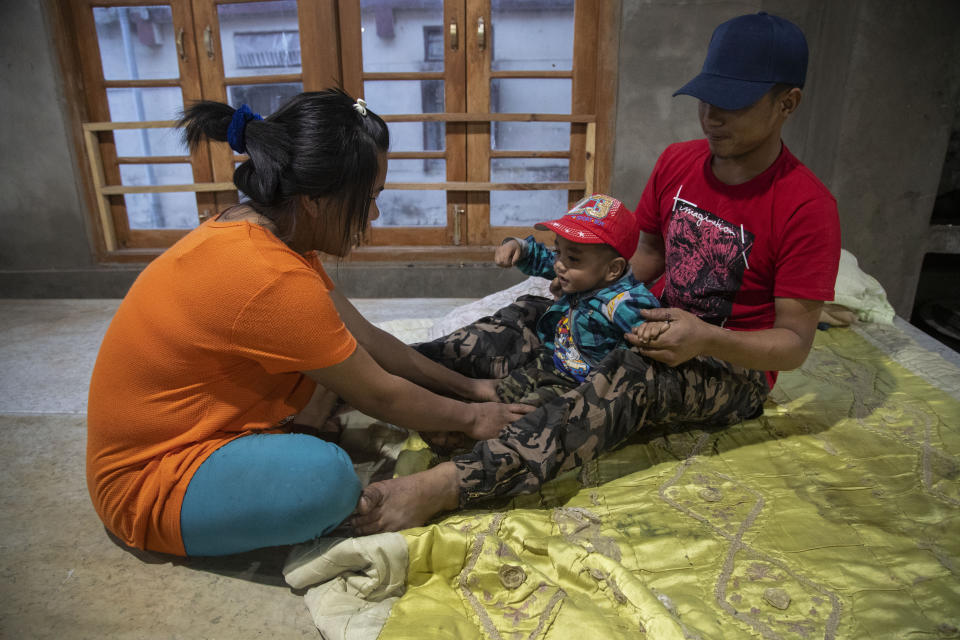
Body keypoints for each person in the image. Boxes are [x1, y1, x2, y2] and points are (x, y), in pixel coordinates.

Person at [350, 12, 841, 533]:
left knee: (631, 376)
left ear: (787, 103)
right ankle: (371, 383)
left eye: (734, 103)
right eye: (707, 98)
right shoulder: (678, 162)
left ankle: (449, 483)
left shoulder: (807, 207)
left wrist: (704, 339)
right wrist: (584, 281)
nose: (712, 116)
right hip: (642, 320)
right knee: (534, 311)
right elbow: (645, 258)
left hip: (726, 363)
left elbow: (793, 344)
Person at [85, 89, 532, 557]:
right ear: (317, 199)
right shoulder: (268, 275)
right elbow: (378, 391)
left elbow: (369, 340)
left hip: (196, 427)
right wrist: (477, 418)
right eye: (370, 197)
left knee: (337, 358)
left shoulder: (269, 233)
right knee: (326, 480)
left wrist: (467, 388)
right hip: (151, 481)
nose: (373, 214)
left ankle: (301, 427)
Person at [492, 194, 662, 404]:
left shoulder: (624, 303)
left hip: (583, 386)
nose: (559, 264)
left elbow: (656, 334)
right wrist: (520, 248)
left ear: (613, 269)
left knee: (528, 411)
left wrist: (653, 330)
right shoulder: (584, 275)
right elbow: (544, 259)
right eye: (558, 251)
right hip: (556, 361)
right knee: (503, 389)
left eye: (572, 257)